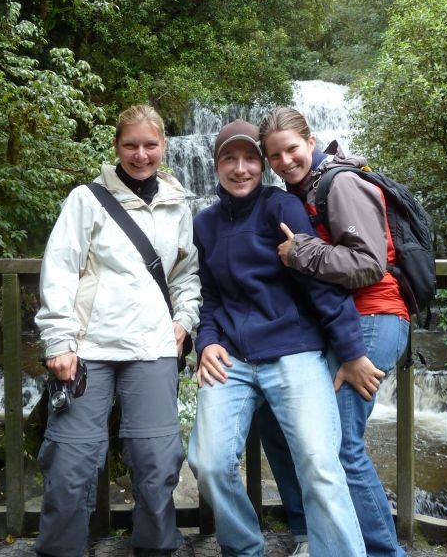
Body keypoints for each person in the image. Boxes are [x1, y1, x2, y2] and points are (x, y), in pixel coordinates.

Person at [187, 119, 368, 557]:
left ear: (262, 165)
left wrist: (351, 351)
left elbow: (317, 282)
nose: (241, 168)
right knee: (208, 463)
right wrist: (206, 341)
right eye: (230, 159)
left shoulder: (281, 208)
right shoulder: (205, 224)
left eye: (250, 158)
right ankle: (244, 548)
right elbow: (209, 296)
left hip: (294, 352)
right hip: (230, 358)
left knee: (321, 466)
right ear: (215, 166)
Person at [34, 104, 201, 557]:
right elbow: (60, 271)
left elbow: (186, 274)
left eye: (150, 145)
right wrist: (59, 340)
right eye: (131, 145)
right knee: (71, 459)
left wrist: (184, 322)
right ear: (116, 147)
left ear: (164, 147)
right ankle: (61, 550)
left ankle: (155, 547)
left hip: (154, 346)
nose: (141, 154)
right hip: (88, 347)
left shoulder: (176, 204)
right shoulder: (86, 200)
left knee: (157, 458)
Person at [257, 106, 410, 557]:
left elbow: (368, 265)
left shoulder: (339, 182)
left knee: (342, 444)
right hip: (341, 325)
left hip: (373, 320)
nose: (285, 162)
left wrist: (301, 251)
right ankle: (316, 535)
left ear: (311, 141)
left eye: (291, 150)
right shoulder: (301, 191)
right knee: (285, 421)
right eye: (275, 156)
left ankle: (384, 552)